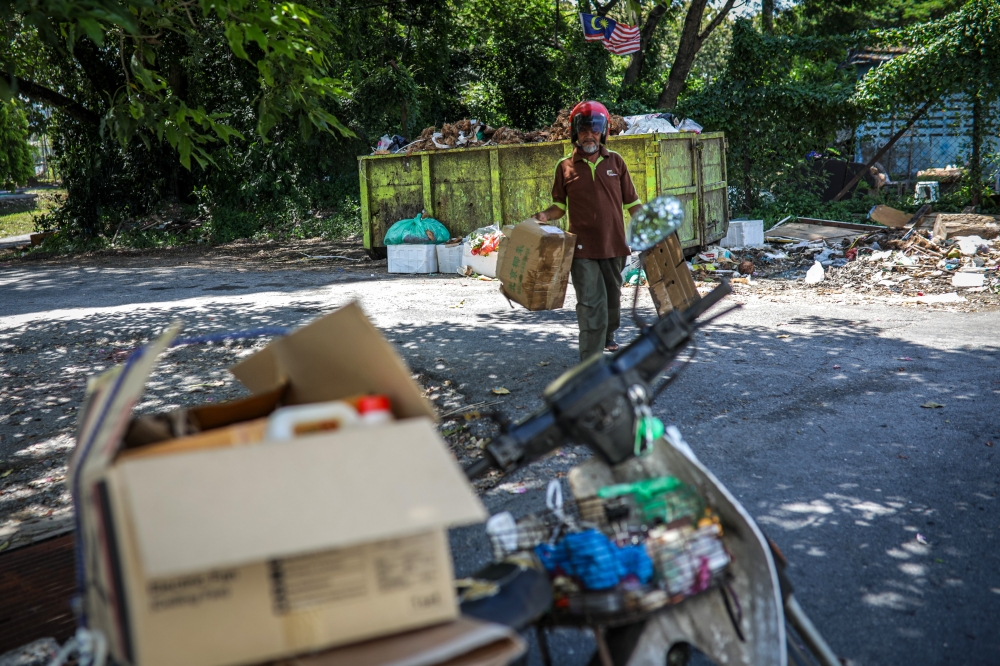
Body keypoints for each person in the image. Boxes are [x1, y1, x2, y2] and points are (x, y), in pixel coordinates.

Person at [532, 100, 642, 361]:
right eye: (583, 130)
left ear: (603, 132)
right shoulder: (565, 166)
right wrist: (546, 215)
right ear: (575, 133)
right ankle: (590, 361)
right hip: (581, 249)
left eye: (594, 130)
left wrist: (652, 229)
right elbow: (559, 206)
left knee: (612, 301)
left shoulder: (616, 162)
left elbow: (633, 203)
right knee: (591, 303)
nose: (589, 135)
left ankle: (608, 335)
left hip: (614, 245)